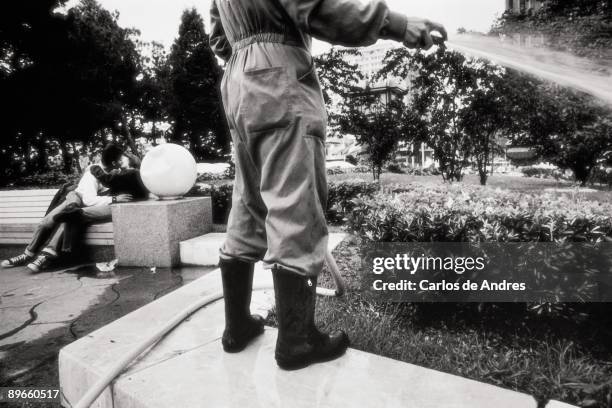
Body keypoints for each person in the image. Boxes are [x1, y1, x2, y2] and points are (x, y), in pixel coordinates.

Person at [210, 0, 447, 370]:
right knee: (295, 206)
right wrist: (397, 25)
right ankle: (297, 341)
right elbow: (320, 8)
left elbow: (218, 38)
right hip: (279, 76)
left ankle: (236, 326)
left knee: (249, 202)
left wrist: (248, 52)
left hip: (238, 83)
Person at [1, 143, 134, 273]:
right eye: (120, 159)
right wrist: (114, 199)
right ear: (114, 162)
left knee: (69, 218)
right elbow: (88, 200)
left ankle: (45, 256)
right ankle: (28, 254)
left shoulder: (116, 173)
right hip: (78, 199)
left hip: (87, 208)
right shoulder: (92, 173)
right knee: (48, 221)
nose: (122, 160)